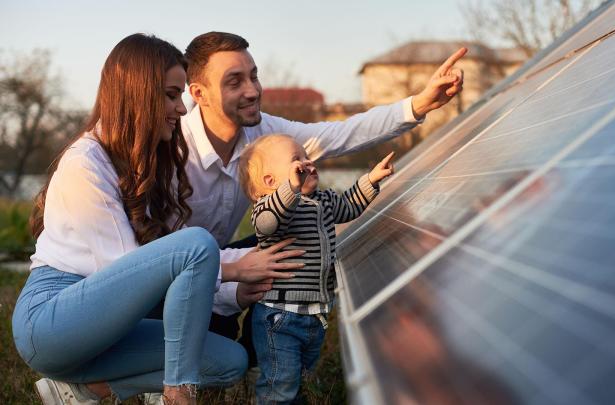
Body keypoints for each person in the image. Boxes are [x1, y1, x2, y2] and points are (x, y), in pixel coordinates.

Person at [11, 34, 291, 405]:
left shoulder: (144, 162)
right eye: (171, 95)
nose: (181, 109)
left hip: (108, 324)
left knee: (228, 362)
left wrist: (232, 291)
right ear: (139, 94)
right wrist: (236, 269)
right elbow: (133, 271)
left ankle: (83, 390)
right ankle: (179, 393)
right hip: (52, 322)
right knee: (196, 243)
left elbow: (158, 271)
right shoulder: (85, 164)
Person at [178, 31, 467, 346]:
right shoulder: (173, 149)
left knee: (295, 238)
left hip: (221, 263)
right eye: (235, 82)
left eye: (254, 76)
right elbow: (151, 257)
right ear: (200, 93)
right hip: (168, 279)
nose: (252, 91)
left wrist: (419, 104)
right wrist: (232, 279)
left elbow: (340, 134)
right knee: (217, 357)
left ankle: (264, 349)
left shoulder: (264, 131)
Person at [238, 134, 394, 403]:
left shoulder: (323, 200)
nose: (307, 162)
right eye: (296, 160)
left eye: (305, 155)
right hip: (280, 317)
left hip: (316, 314)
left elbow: (348, 206)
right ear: (270, 183)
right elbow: (267, 224)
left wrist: (370, 181)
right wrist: (291, 190)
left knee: (299, 379)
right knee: (281, 384)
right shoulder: (269, 210)